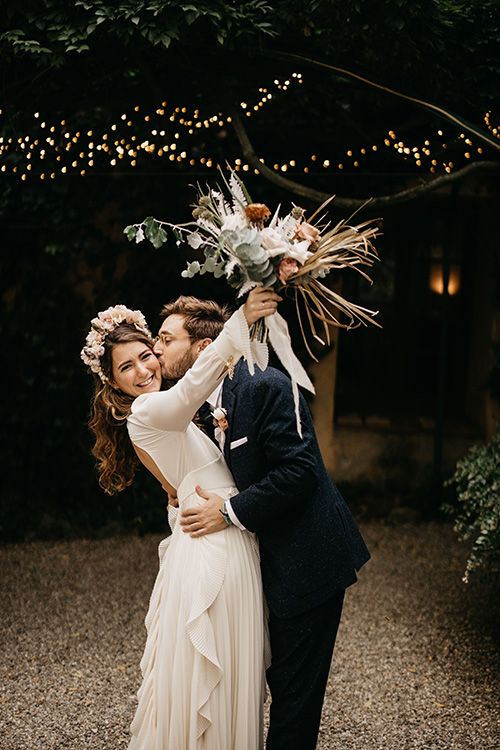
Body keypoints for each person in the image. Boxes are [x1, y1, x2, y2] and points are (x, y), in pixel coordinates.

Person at [155, 295, 371, 750]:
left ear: (202, 348)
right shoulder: (190, 409)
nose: (156, 349)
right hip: (254, 567)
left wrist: (228, 512)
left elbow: (300, 471)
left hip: (306, 562)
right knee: (255, 685)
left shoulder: (265, 384)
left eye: (166, 339)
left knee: (294, 700)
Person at [81, 287, 280, 750]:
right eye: (125, 367)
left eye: (146, 356)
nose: (143, 370)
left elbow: (176, 487)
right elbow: (191, 389)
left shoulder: (159, 416)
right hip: (215, 543)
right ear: (111, 382)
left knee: (216, 667)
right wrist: (239, 324)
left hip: (218, 528)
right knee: (220, 667)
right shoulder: (148, 411)